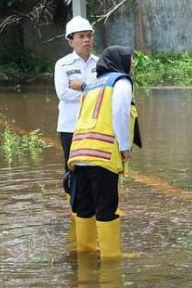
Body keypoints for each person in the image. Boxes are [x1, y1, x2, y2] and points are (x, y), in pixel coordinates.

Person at [67, 45, 140, 259]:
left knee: (85, 206)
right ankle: (111, 259)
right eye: (131, 60)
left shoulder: (91, 85)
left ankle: (85, 254)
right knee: (107, 205)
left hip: (79, 153)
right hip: (102, 154)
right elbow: (120, 112)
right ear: (121, 61)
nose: (132, 64)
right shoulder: (121, 81)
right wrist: (124, 147)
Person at [55, 16, 98, 173]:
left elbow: (105, 93)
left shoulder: (100, 63)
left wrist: (81, 87)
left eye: (89, 35)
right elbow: (64, 94)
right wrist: (93, 91)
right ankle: (72, 198)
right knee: (72, 170)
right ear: (71, 41)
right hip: (70, 126)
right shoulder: (62, 65)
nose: (87, 40)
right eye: (81, 36)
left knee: (95, 169)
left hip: (95, 126)